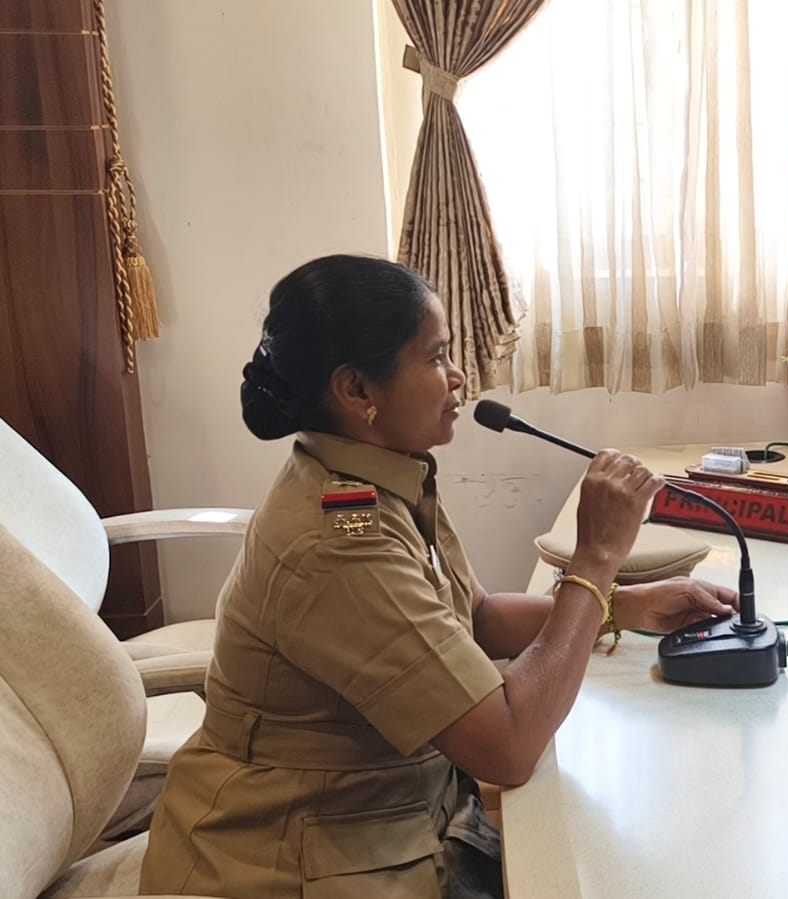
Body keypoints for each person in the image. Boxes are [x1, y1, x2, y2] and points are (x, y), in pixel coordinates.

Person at [140, 256, 738, 898]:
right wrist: (595, 559)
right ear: (357, 391)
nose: (458, 378)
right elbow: (508, 748)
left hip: (397, 814)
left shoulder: (381, 473)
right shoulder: (340, 544)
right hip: (294, 859)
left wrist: (625, 606)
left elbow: (472, 618)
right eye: (435, 357)